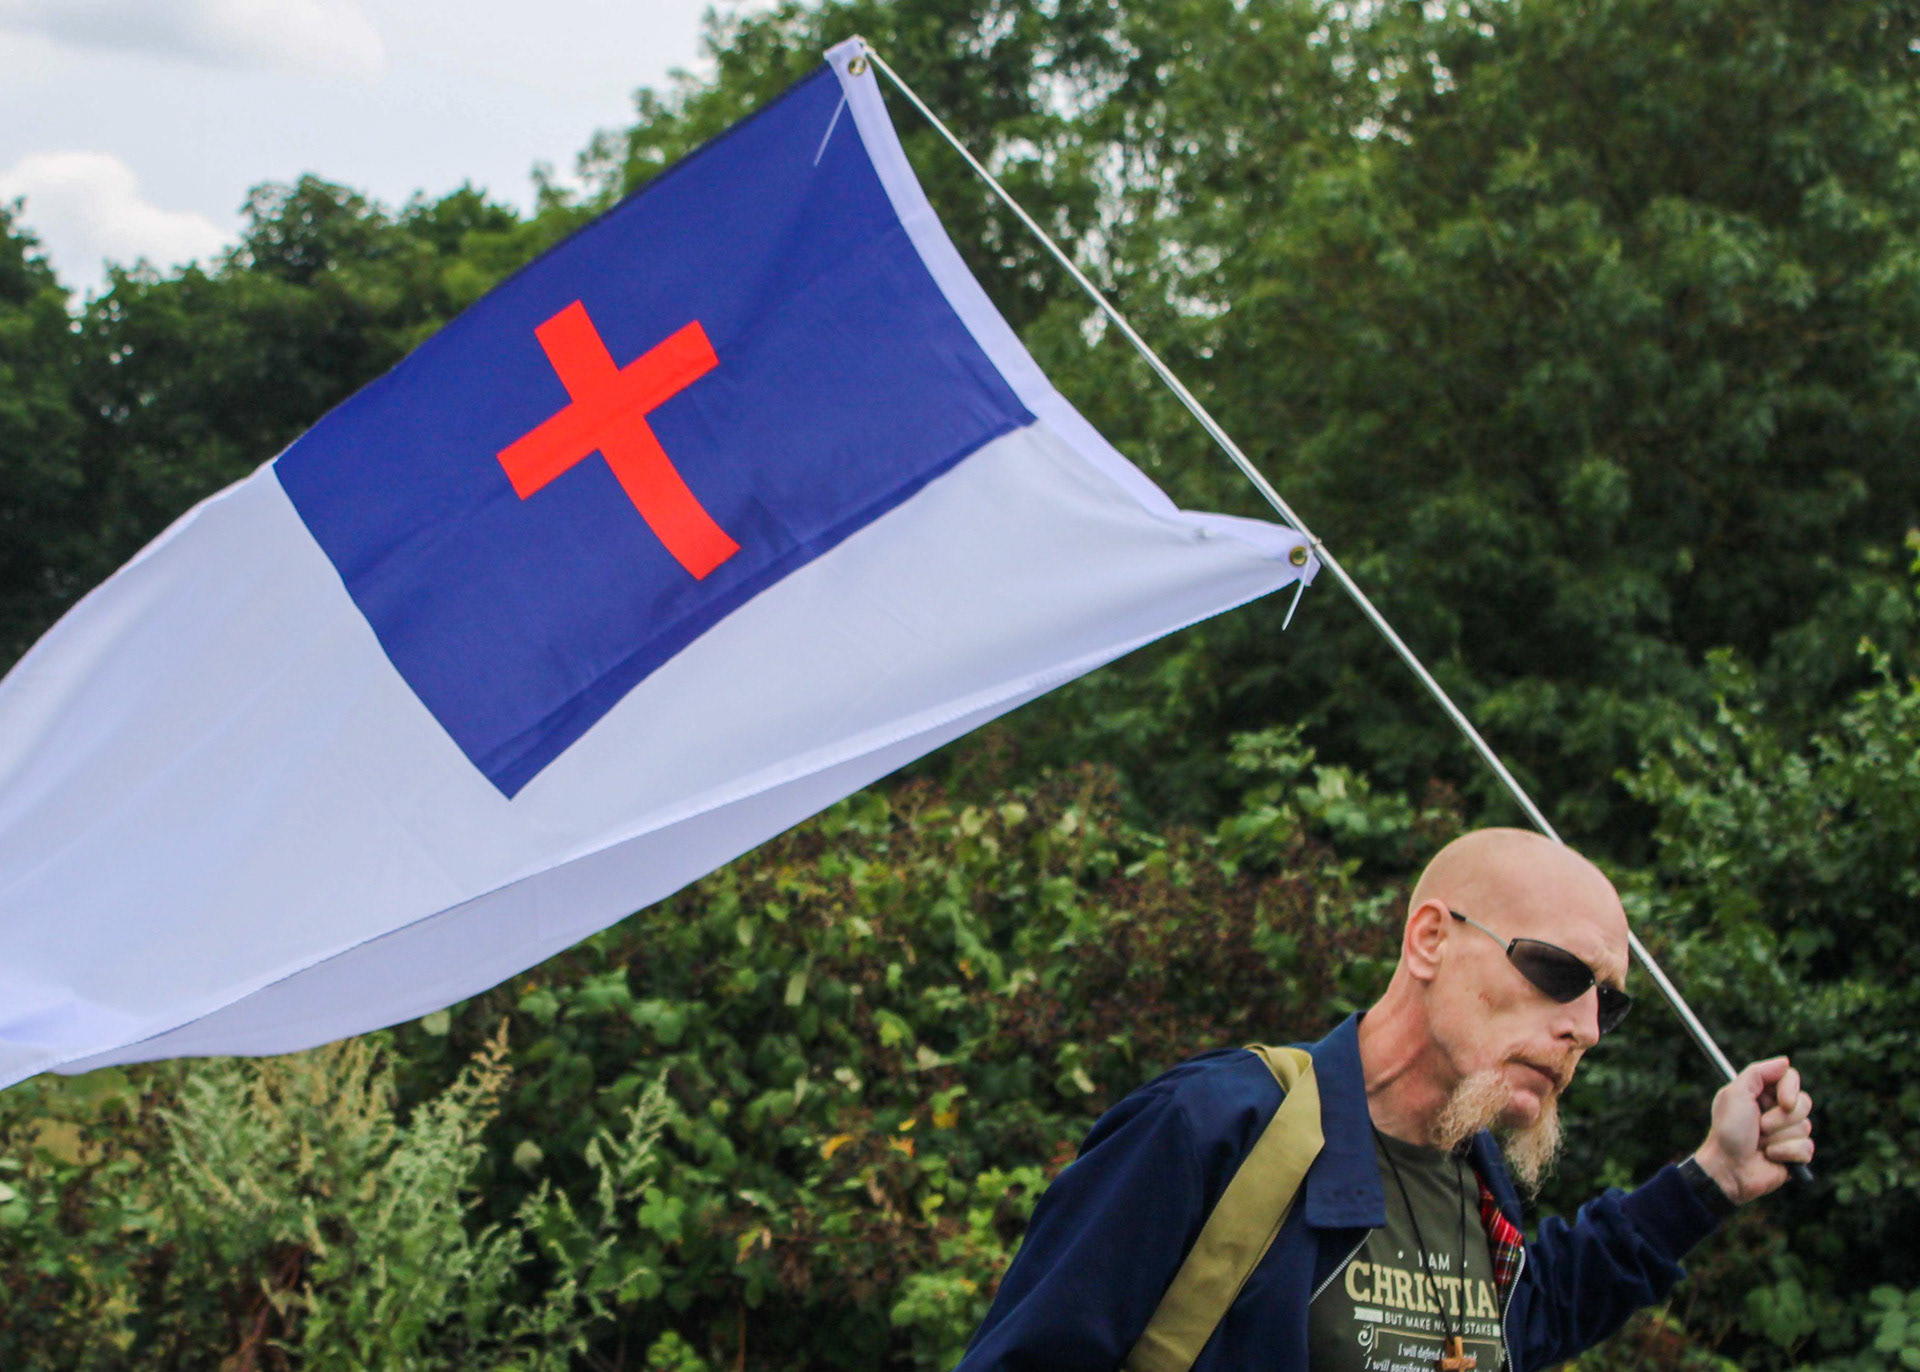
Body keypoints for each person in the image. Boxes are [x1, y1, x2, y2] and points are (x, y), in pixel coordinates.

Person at [953, 828, 1815, 1372]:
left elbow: (1533, 1313)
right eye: (1558, 973)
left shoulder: (1477, 1177)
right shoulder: (1214, 1127)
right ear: (1431, 939)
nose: (1585, 1027)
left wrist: (1714, 1178)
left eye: (1609, 1002)